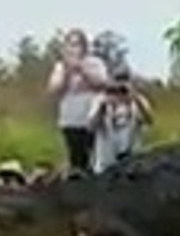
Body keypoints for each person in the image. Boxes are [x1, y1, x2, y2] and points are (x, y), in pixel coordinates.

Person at [46, 28, 109, 173]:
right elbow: (53, 88)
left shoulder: (95, 63)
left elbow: (102, 83)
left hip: (90, 116)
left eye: (77, 44)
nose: (74, 48)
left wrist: (81, 69)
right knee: (75, 157)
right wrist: (67, 71)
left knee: (92, 157)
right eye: (71, 44)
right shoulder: (60, 66)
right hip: (69, 118)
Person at [87, 65, 153, 172]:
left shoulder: (138, 100)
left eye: (124, 80)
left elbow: (149, 121)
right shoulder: (100, 100)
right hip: (106, 164)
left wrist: (135, 99)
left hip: (132, 164)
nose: (120, 86)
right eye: (117, 80)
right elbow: (90, 127)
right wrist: (102, 108)